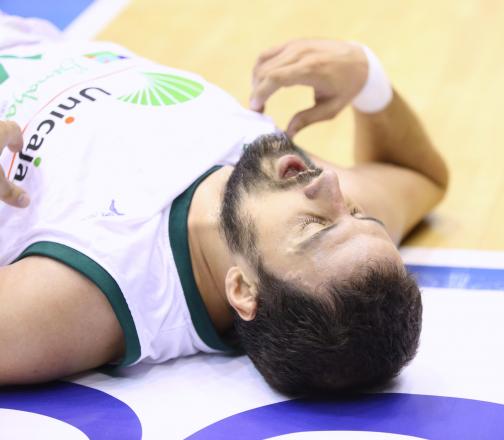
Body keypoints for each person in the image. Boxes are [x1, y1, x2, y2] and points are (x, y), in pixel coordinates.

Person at [0, 13, 448, 394]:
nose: (330, 183)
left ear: (243, 289)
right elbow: (419, 176)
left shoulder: (90, 290)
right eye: (356, 213)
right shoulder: (293, 193)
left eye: (313, 226)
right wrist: (368, 82)